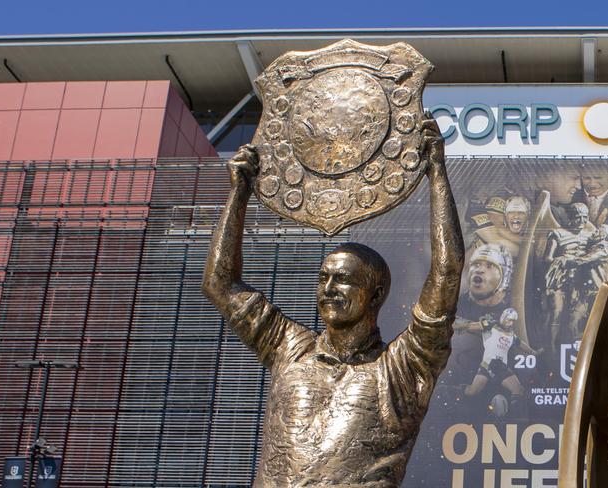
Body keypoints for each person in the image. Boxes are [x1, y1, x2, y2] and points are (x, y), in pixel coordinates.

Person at [202, 117, 464, 488]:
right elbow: (219, 283)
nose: (328, 288)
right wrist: (238, 192)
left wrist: (437, 173)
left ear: (374, 294)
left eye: (342, 279)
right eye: (323, 277)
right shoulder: (288, 347)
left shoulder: (402, 369)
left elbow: (447, 274)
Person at [544, 203, 608, 351]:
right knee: (557, 312)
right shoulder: (557, 233)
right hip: (560, 280)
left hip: (581, 282)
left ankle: (577, 348)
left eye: (585, 217)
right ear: (570, 217)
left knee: (578, 316)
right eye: (577, 217)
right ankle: (550, 348)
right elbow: (547, 258)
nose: (581, 221)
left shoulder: (591, 235)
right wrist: (562, 261)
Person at [455, 308, 541, 403]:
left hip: (501, 367)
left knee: (519, 390)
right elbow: (470, 326)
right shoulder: (491, 325)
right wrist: (456, 326)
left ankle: (510, 413)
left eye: (513, 321)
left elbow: (520, 343)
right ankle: (454, 391)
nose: (511, 323)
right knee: (472, 391)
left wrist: (533, 352)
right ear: (504, 317)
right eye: (509, 320)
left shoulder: (511, 334)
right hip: (488, 365)